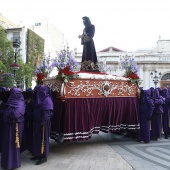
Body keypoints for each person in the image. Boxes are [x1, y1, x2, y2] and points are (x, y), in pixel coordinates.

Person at [0, 87, 25, 170]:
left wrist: (5, 112)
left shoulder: (20, 103)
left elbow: (16, 114)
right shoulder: (10, 101)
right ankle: (6, 163)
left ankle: (13, 164)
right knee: (6, 145)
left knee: (13, 146)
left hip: (15, 127)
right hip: (8, 126)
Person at [30, 85, 53, 165]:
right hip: (37, 122)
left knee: (43, 139)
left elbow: (46, 114)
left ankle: (43, 156)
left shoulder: (47, 100)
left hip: (43, 124)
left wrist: (42, 123)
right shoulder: (40, 99)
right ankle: (37, 154)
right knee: (37, 139)